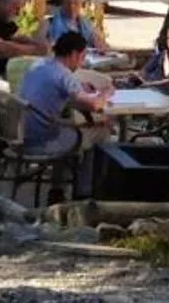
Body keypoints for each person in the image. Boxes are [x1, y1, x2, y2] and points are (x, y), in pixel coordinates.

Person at [19, 32, 111, 196]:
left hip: (22, 134)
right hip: (42, 141)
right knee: (101, 132)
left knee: (71, 128)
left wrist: (79, 86)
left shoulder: (38, 65)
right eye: (82, 57)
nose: (82, 62)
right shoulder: (64, 76)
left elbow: (53, 91)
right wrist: (106, 93)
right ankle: (85, 190)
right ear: (75, 54)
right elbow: (93, 105)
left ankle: (57, 189)